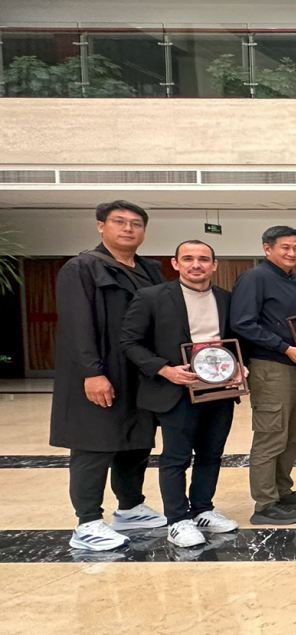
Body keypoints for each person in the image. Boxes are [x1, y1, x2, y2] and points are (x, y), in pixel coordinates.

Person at [52, 201, 167, 551]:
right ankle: (87, 523)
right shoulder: (82, 268)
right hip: (101, 368)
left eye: (136, 223)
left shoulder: (150, 270)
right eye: (119, 222)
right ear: (101, 226)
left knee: (137, 440)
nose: (128, 228)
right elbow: (77, 325)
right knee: (94, 444)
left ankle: (130, 507)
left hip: (140, 369)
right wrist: (92, 373)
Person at [119, 240, 240, 547]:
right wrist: (164, 369)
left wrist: (240, 366)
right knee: (176, 457)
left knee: (211, 454)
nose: (195, 264)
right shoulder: (151, 297)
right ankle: (177, 519)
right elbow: (130, 342)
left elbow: (237, 340)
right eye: (188, 258)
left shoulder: (226, 299)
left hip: (218, 390)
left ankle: (202, 509)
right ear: (175, 264)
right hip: (175, 390)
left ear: (214, 265)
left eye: (203, 259)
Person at [229, 225, 296, 525]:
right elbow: (242, 323)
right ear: (267, 248)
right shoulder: (254, 278)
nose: (292, 253)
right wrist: (284, 348)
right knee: (271, 435)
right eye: (285, 247)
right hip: (271, 367)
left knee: (293, 434)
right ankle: (265, 503)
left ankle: (282, 490)